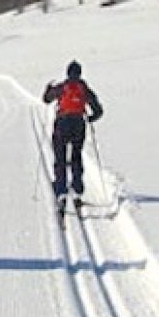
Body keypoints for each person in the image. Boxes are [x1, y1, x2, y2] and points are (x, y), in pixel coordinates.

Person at [42, 60, 103, 210]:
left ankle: (61, 190)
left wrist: (47, 89)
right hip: (78, 125)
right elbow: (98, 110)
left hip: (62, 124)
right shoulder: (83, 88)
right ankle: (77, 190)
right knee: (76, 156)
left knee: (60, 156)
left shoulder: (63, 87)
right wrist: (90, 118)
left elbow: (46, 99)